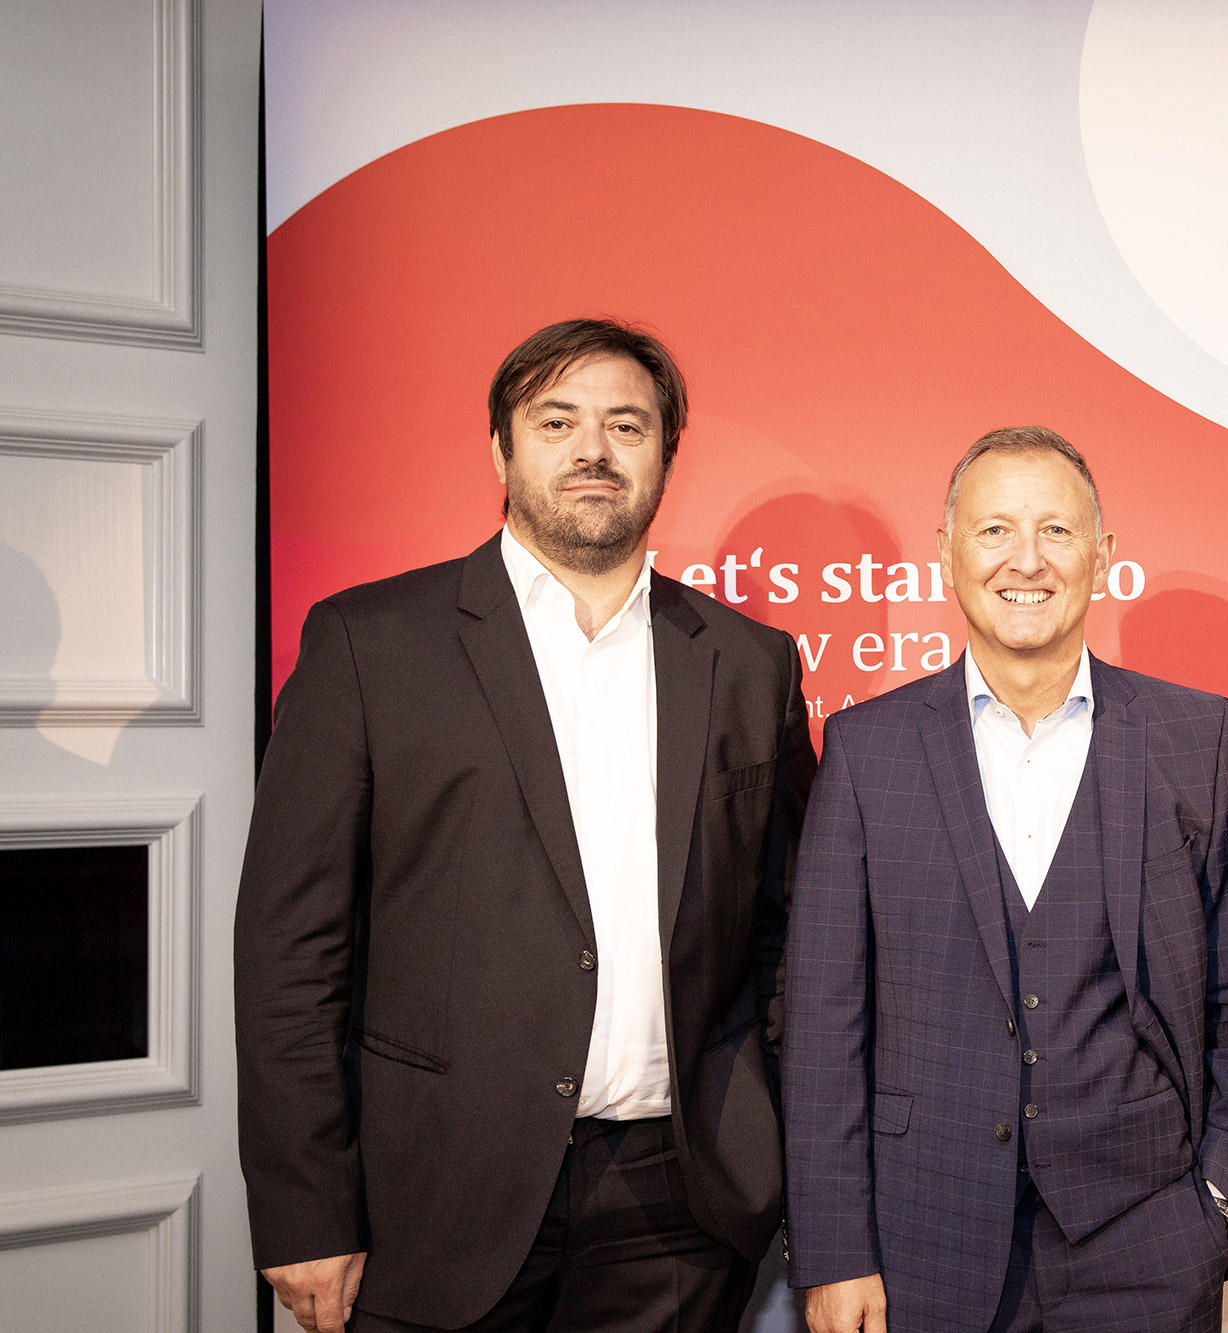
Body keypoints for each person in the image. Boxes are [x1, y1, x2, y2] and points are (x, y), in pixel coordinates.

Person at [235, 318, 815, 1333]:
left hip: (677, 1209)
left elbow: (784, 932)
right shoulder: (369, 644)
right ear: (501, 451)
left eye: (625, 425)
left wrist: (769, 1147)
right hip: (432, 1199)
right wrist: (304, 1205)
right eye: (557, 422)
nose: (594, 449)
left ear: (665, 457)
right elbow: (292, 950)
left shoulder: (747, 663)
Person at [783, 427, 1228, 1333]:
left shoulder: (1195, 737)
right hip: (920, 1245)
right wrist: (835, 1248)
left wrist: (1221, 1199)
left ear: (1102, 555)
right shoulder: (866, 752)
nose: (1026, 559)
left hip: (1148, 1242)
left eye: (1056, 530)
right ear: (947, 554)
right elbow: (823, 1022)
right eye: (995, 531)